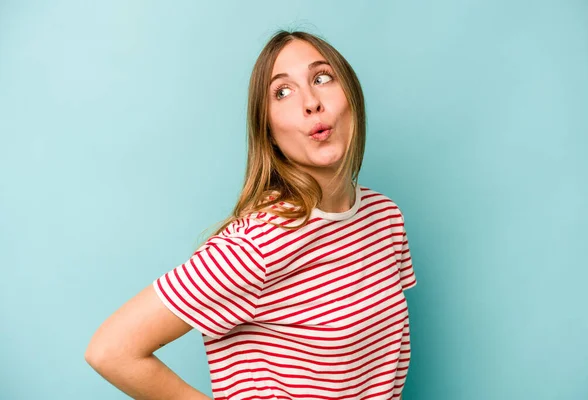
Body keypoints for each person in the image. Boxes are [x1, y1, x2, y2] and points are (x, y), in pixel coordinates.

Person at [85, 29, 417, 400]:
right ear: (269, 131)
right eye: (283, 92)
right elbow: (111, 350)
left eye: (322, 78)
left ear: (351, 96)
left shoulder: (384, 218)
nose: (311, 102)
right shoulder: (258, 245)